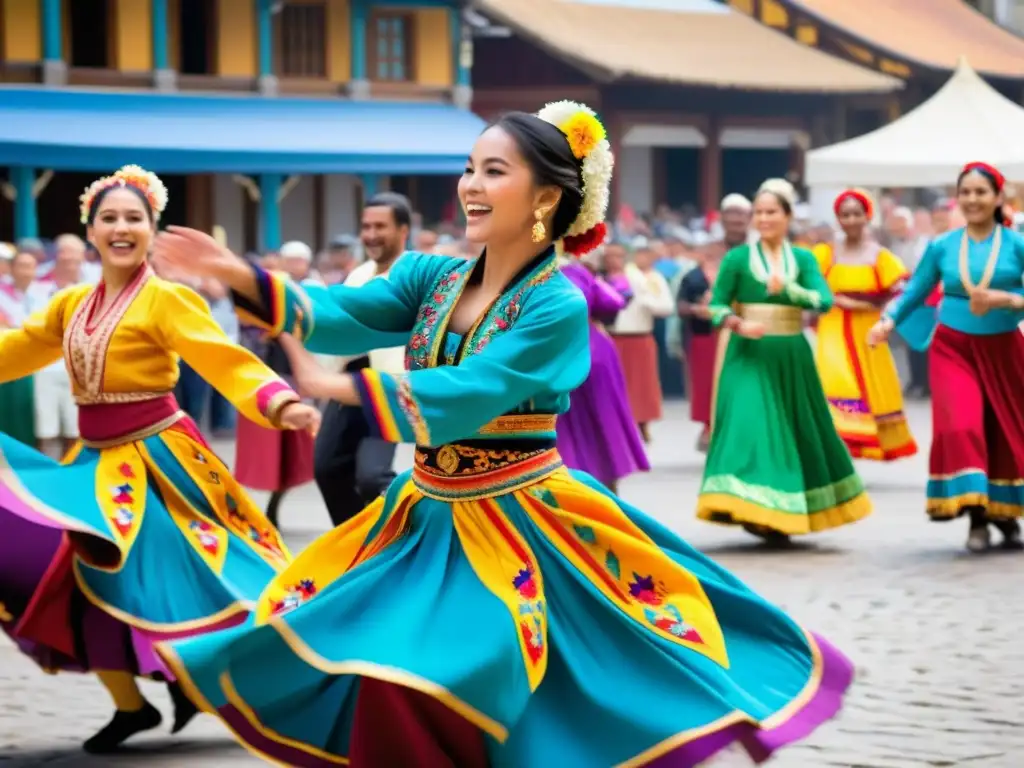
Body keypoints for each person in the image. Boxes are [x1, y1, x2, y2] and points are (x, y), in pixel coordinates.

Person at [152, 104, 853, 767]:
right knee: (362, 654)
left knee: (485, 676)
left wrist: (343, 388)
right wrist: (233, 272)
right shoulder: (432, 277)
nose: (470, 186)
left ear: (545, 197)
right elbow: (339, 312)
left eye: (494, 171)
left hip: (516, 516)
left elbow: (477, 388)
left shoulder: (557, 304)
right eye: (469, 168)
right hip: (423, 514)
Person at [0, 165, 320, 753]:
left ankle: (227, 681)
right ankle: (131, 705)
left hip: (161, 462)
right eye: (110, 219)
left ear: (151, 228)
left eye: (134, 219)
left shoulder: (168, 299)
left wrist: (278, 402)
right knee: (68, 577)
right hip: (94, 463)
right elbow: (18, 349)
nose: (121, 228)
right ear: (90, 231)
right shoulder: (71, 303)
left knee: (198, 580)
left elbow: (222, 358)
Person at [697, 179, 872, 545]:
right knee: (752, 425)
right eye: (758, 213)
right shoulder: (738, 259)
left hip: (791, 355)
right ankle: (754, 506)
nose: (763, 219)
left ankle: (781, 511)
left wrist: (790, 290)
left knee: (794, 431)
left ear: (788, 216)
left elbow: (823, 301)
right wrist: (734, 322)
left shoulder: (804, 259)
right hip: (748, 354)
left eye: (771, 212)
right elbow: (716, 304)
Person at [869, 161, 1024, 553]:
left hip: (1004, 349)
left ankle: (1003, 513)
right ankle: (976, 517)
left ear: (997, 198)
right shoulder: (941, 246)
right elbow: (915, 291)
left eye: (981, 192)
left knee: (1003, 434)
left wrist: (1005, 299)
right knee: (962, 426)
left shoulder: (1017, 244)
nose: (972, 200)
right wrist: (887, 321)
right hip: (953, 350)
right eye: (966, 192)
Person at [313, 192, 409, 526]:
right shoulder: (357, 275)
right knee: (326, 468)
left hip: (388, 388)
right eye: (366, 226)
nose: (370, 234)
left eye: (380, 226)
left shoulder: (416, 275)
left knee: (372, 477)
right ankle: (356, 543)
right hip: (347, 385)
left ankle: (406, 532)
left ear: (403, 231)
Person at [814, 189, 917, 461]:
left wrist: (865, 307)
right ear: (838, 219)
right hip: (832, 329)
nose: (850, 220)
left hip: (867, 331)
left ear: (867, 216)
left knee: (871, 386)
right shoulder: (825, 254)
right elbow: (809, 285)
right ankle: (838, 446)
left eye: (856, 214)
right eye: (844, 215)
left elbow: (901, 293)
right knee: (836, 381)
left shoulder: (880, 257)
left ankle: (859, 444)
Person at [234, 241, 319, 524]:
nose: (292, 265)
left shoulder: (313, 292)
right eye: (288, 260)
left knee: (291, 452)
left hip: (296, 378)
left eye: (298, 261)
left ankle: (273, 508)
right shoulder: (268, 293)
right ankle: (247, 509)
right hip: (263, 377)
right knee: (261, 454)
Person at [557, 245, 649, 494]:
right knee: (602, 425)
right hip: (593, 350)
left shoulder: (529, 272)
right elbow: (614, 301)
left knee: (565, 426)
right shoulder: (579, 272)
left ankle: (572, 485)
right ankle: (608, 490)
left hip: (554, 355)